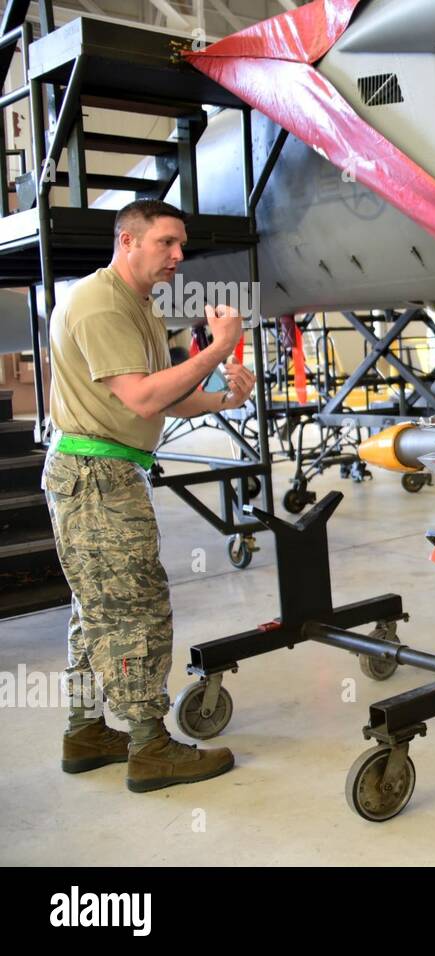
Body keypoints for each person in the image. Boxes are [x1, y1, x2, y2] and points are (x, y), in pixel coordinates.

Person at [46, 199, 255, 792]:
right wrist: (215, 350)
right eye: (166, 242)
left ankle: (85, 732)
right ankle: (149, 745)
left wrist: (222, 396)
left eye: (180, 243)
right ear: (128, 241)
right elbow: (141, 399)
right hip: (97, 479)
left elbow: (158, 393)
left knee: (98, 612)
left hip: (106, 470)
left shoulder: (134, 304)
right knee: (133, 610)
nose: (178, 256)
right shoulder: (98, 302)